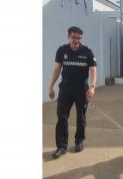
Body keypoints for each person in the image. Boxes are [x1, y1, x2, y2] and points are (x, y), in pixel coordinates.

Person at [48, 26, 97, 159]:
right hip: (65, 89)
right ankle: (61, 146)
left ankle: (79, 141)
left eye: (79, 38)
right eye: (74, 37)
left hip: (82, 89)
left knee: (81, 116)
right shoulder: (62, 50)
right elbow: (57, 69)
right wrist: (50, 87)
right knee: (62, 117)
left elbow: (93, 69)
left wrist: (92, 86)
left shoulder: (87, 52)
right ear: (68, 36)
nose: (76, 40)